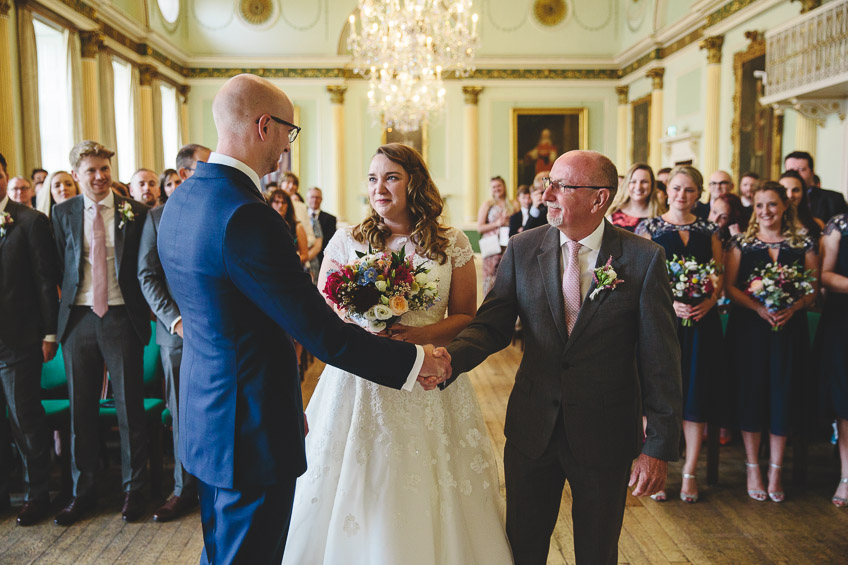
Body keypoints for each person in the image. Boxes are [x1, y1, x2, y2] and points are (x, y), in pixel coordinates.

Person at [157, 74, 451, 564]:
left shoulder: (185, 198)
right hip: (249, 428)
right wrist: (415, 360)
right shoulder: (248, 215)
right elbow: (323, 334)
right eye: (288, 134)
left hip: (205, 416)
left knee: (220, 552)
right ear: (263, 125)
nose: (286, 149)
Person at [446, 150, 682, 564]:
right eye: (548, 183)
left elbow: (660, 359)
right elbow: (492, 325)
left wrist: (658, 445)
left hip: (605, 432)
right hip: (533, 427)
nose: (548, 193)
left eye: (563, 185)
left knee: (597, 551)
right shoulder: (523, 248)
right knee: (523, 544)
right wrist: (448, 360)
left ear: (599, 199)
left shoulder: (644, 259)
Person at [283, 142, 512, 564]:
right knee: (359, 476)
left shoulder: (451, 242)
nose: (379, 188)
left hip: (427, 374)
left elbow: (465, 314)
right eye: (373, 178)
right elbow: (324, 316)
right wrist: (366, 333)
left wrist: (415, 335)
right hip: (357, 379)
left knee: (429, 479)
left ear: (415, 182)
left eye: (391, 177)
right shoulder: (346, 240)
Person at [52, 141, 152, 525]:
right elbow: (57, 268)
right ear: (76, 175)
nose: (99, 177)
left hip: (121, 315)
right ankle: (83, 492)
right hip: (78, 319)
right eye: (91, 171)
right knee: (81, 412)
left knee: (130, 408)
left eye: (104, 170)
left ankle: (134, 490)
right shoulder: (62, 213)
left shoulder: (135, 212)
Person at [724, 181, 819, 503]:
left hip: (789, 331)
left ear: (784, 207)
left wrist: (793, 306)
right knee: (752, 395)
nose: (766, 211)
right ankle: (753, 467)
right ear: (754, 208)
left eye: (772, 205)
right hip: (750, 330)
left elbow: (811, 289)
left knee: (783, 395)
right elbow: (730, 288)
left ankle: (776, 469)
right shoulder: (742, 242)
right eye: (760, 205)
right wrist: (760, 308)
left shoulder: (802, 242)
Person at [636, 165, 724, 504]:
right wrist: (670, 304)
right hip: (663, 321)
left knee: (696, 394)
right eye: (676, 189)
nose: (681, 195)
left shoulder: (710, 231)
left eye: (688, 190)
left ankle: (689, 471)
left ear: (698, 194)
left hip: (703, 323)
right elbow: (641, 277)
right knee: (658, 392)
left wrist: (709, 302)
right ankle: (657, 468)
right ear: (666, 191)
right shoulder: (651, 228)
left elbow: (718, 278)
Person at [137, 156, 200, 524]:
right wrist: (174, 320)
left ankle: (216, 482)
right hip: (176, 333)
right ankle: (182, 489)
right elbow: (147, 275)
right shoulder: (156, 218)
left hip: (220, 332)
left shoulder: (218, 211)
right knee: (180, 412)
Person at [0, 152, 60, 526]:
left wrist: (50, 332)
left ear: (5, 176)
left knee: (26, 421)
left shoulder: (29, 221)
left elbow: (44, 281)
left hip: (19, 338)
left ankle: (38, 494)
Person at [817, 213, 848, 507]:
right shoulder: (840, 225)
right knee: (845, 399)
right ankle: (846, 475)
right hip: (843, 322)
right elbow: (823, 275)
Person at [478, 175, 515, 296]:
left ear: (504, 186)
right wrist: (497, 224)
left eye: (499, 185)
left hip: (508, 244)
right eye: (494, 186)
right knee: (490, 277)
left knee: (506, 274)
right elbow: (480, 227)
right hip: (491, 246)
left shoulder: (513, 204)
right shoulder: (487, 205)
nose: (497, 189)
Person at [784, 151, 847, 222]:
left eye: (801, 169)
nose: (796, 174)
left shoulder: (834, 199)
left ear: (812, 172)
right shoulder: (778, 198)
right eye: (790, 170)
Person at [607, 163, 664, 231]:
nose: (638, 187)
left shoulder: (661, 217)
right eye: (633, 182)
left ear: (652, 185)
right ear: (627, 184)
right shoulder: (612, 212)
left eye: (644, 182)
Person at [779, 170, 824, 238]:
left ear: (803, 193)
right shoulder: (769, 223)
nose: (790, 195)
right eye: (785, 190)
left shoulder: (818, 224)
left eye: (795, 190)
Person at [268, 188, 309, 263]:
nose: (280, 205)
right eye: (277, 202)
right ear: (271, 203)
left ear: (288, 205)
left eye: (283, 202)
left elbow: (305, 255)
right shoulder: (266, 225)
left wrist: (285, 262)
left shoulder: (298, 227)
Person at [307, 186, 336, 263]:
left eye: (317, 197)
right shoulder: (300, 215)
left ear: (321, 199)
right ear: (307, 198)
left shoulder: (330, 219)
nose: (315, 200)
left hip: (322, 258)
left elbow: (329, 241)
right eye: (312, 197)